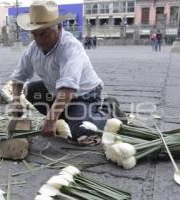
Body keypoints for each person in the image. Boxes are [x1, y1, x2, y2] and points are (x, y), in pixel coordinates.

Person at [10, 1, 126, 144]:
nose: (39, 40)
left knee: (82, 133)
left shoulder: (71, 47)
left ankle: (108, 109)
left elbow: (68, 88)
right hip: (57, 92)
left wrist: (51, 119)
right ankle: (68, 115)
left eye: (44, 33)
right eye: (35, 34)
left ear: (58, 27)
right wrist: (15, 101)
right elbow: (18, 76)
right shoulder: (33, 48)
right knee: (30, 90)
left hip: (84, 94)